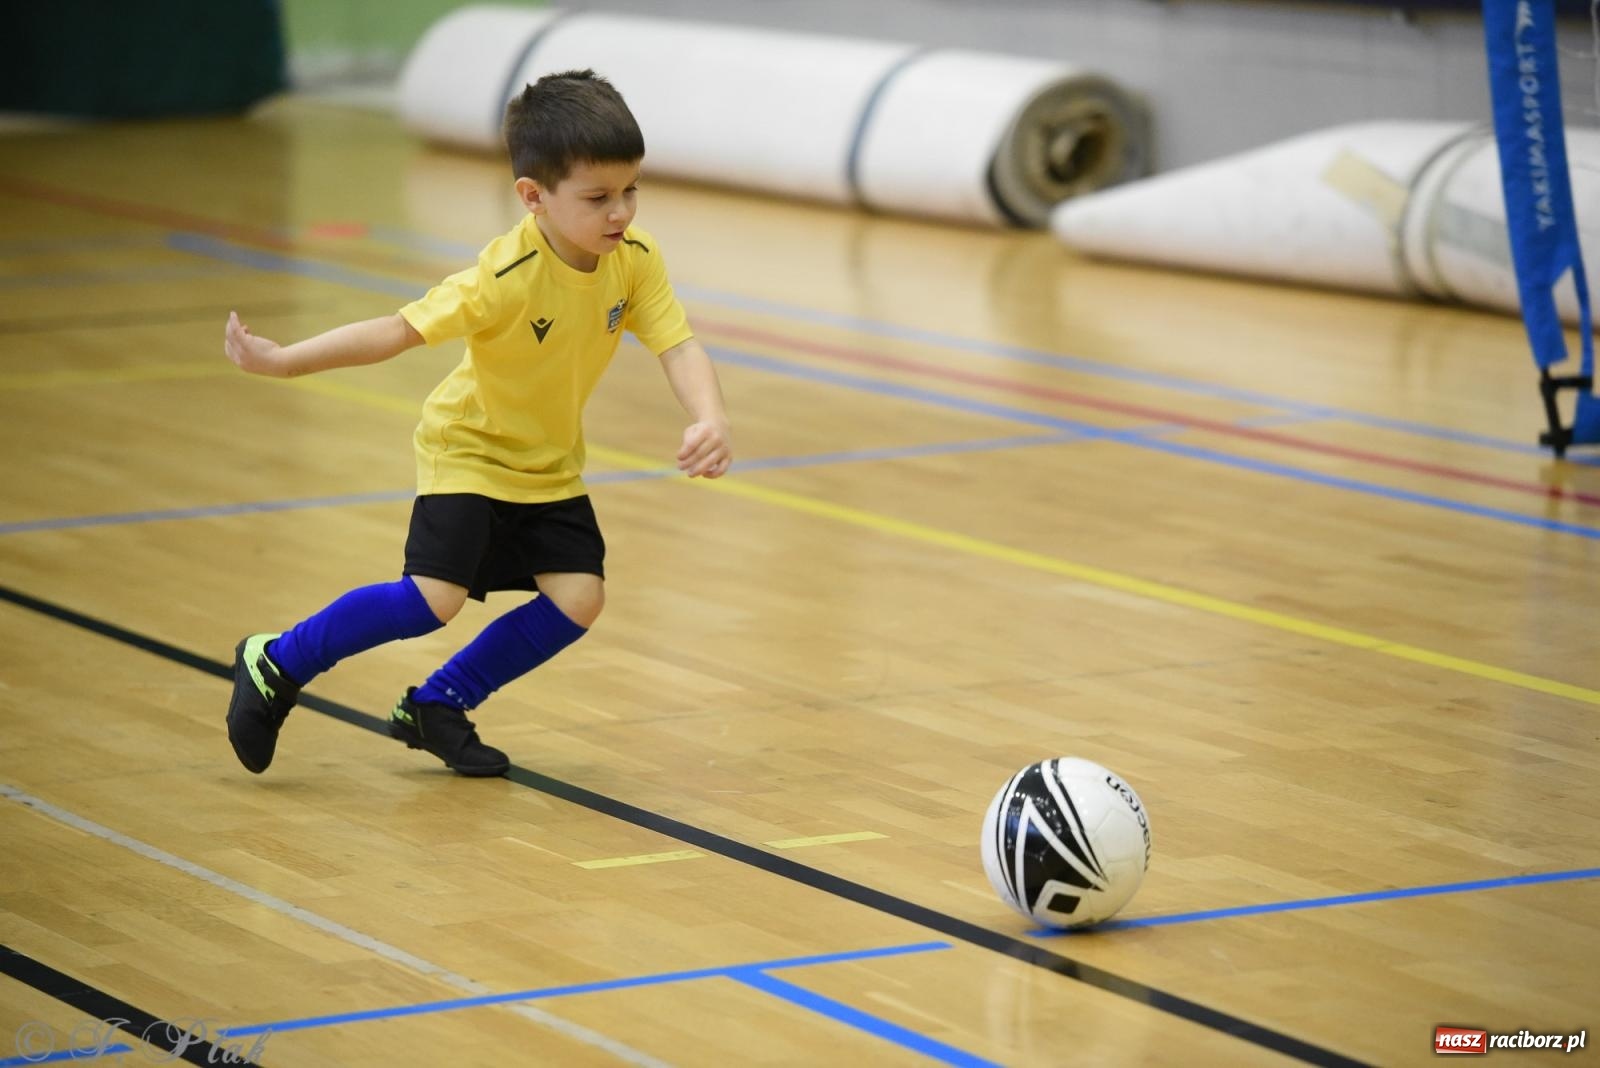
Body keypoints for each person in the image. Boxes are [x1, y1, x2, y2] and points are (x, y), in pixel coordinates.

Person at [221, 70, 731, 778]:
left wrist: (709, 416)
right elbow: (397, 331)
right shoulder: (506, 275)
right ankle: (278, 660)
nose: (621, 213)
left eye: (630, 190)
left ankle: (437, 705)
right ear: (533, 196)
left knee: (580, 598)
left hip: (547, 464)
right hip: (468, 450)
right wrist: (284, 362)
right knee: (433, 601)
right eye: (598, 198)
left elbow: (678, 344)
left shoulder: (634, 263)